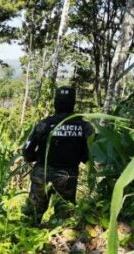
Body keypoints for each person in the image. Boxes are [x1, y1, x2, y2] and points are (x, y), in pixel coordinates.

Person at [22, 86, 92, 224]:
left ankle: (26, 239)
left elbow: (27, 150)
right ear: (73, 103)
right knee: (64, 217)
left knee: (32, 214)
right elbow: (91, 155)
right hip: (67, 175)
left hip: (43, 172)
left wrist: (36, 157)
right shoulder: (84, 126)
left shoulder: (44, 124)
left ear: (55, 102)